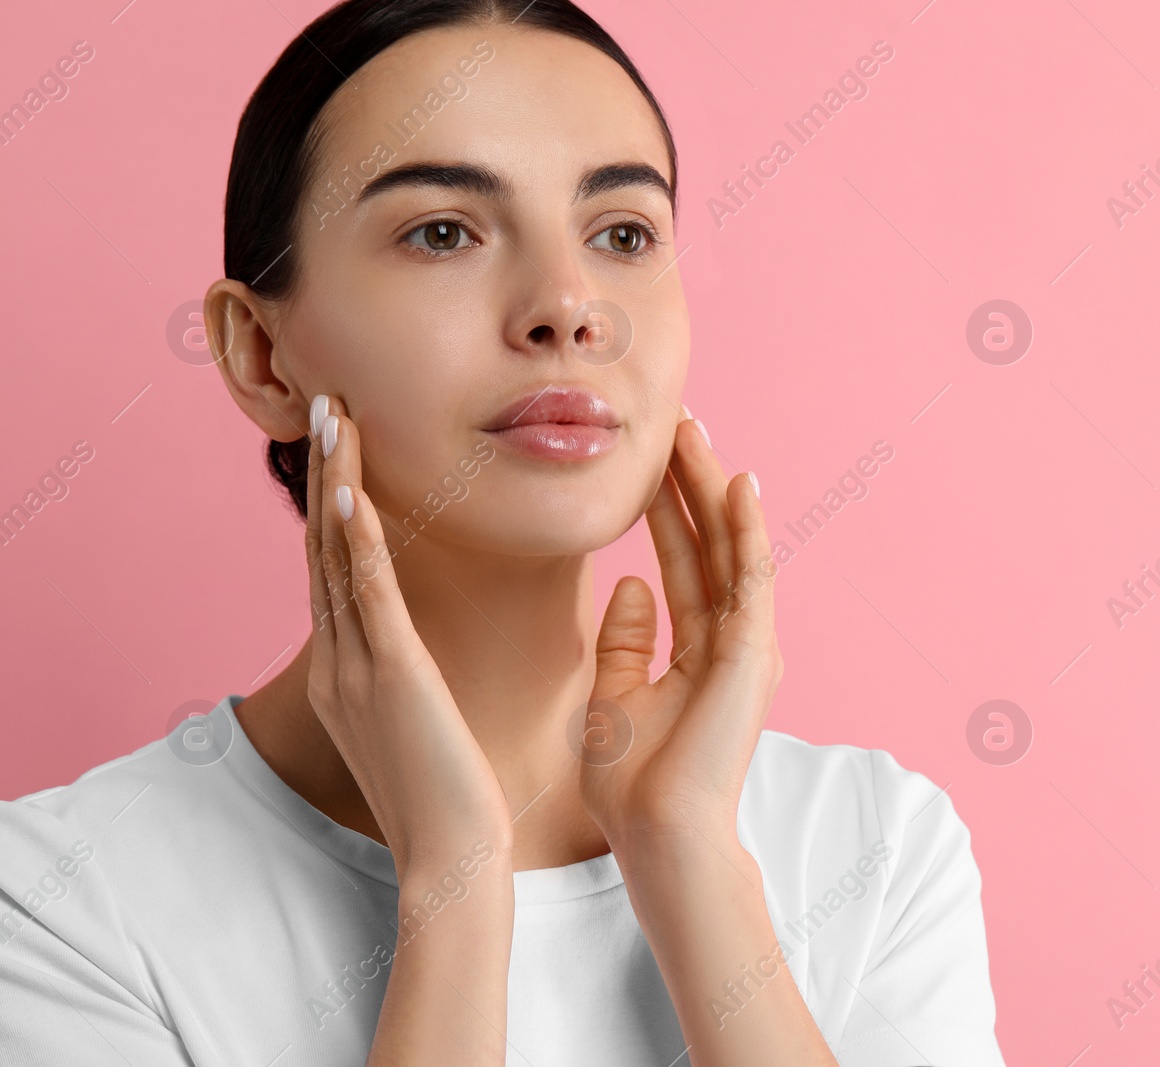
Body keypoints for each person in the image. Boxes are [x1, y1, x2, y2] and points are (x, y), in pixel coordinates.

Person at [0, 2, 1004, 1063]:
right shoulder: (62, 905)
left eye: (622, 234)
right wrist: (453, 879)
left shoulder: (876, 847)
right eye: (443, 231)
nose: (570, 306)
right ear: (259, 355)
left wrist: (690, 858)